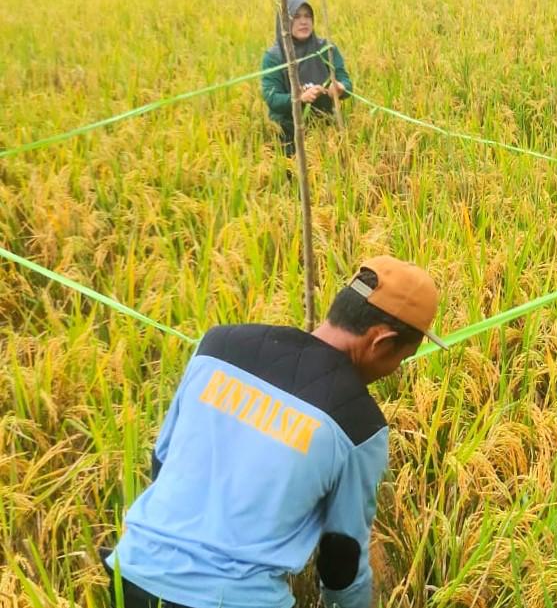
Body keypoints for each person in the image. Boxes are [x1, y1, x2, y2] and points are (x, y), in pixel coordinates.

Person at [104, 256, 446, 608]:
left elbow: (161, 460)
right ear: (382, 342)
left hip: (131, 572)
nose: (393, 370)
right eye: (400, 360)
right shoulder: (359, 424)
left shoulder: (217, 346)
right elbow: (341, 558)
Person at [261, 0, 353, 156]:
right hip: (288, 135)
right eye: (296, 16)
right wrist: (299, 98)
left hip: (326, 131)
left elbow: (346, 82)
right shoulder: (274, 57)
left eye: (308, 16)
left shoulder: (326, 49)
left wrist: (339, 87)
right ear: (284, 21)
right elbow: (272, 98)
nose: (304, 21)